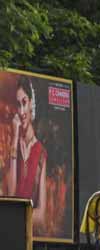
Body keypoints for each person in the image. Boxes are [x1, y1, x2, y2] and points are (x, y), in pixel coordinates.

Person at [4, 75, 47, 209]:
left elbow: (41, 216)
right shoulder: (12, 145)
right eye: (18, 105)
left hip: (28, 228)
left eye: (24, 102)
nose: (21, 111)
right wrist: (15, 137)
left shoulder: (41, 152)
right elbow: (11, 194)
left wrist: (19, 217)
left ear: (31, 104)